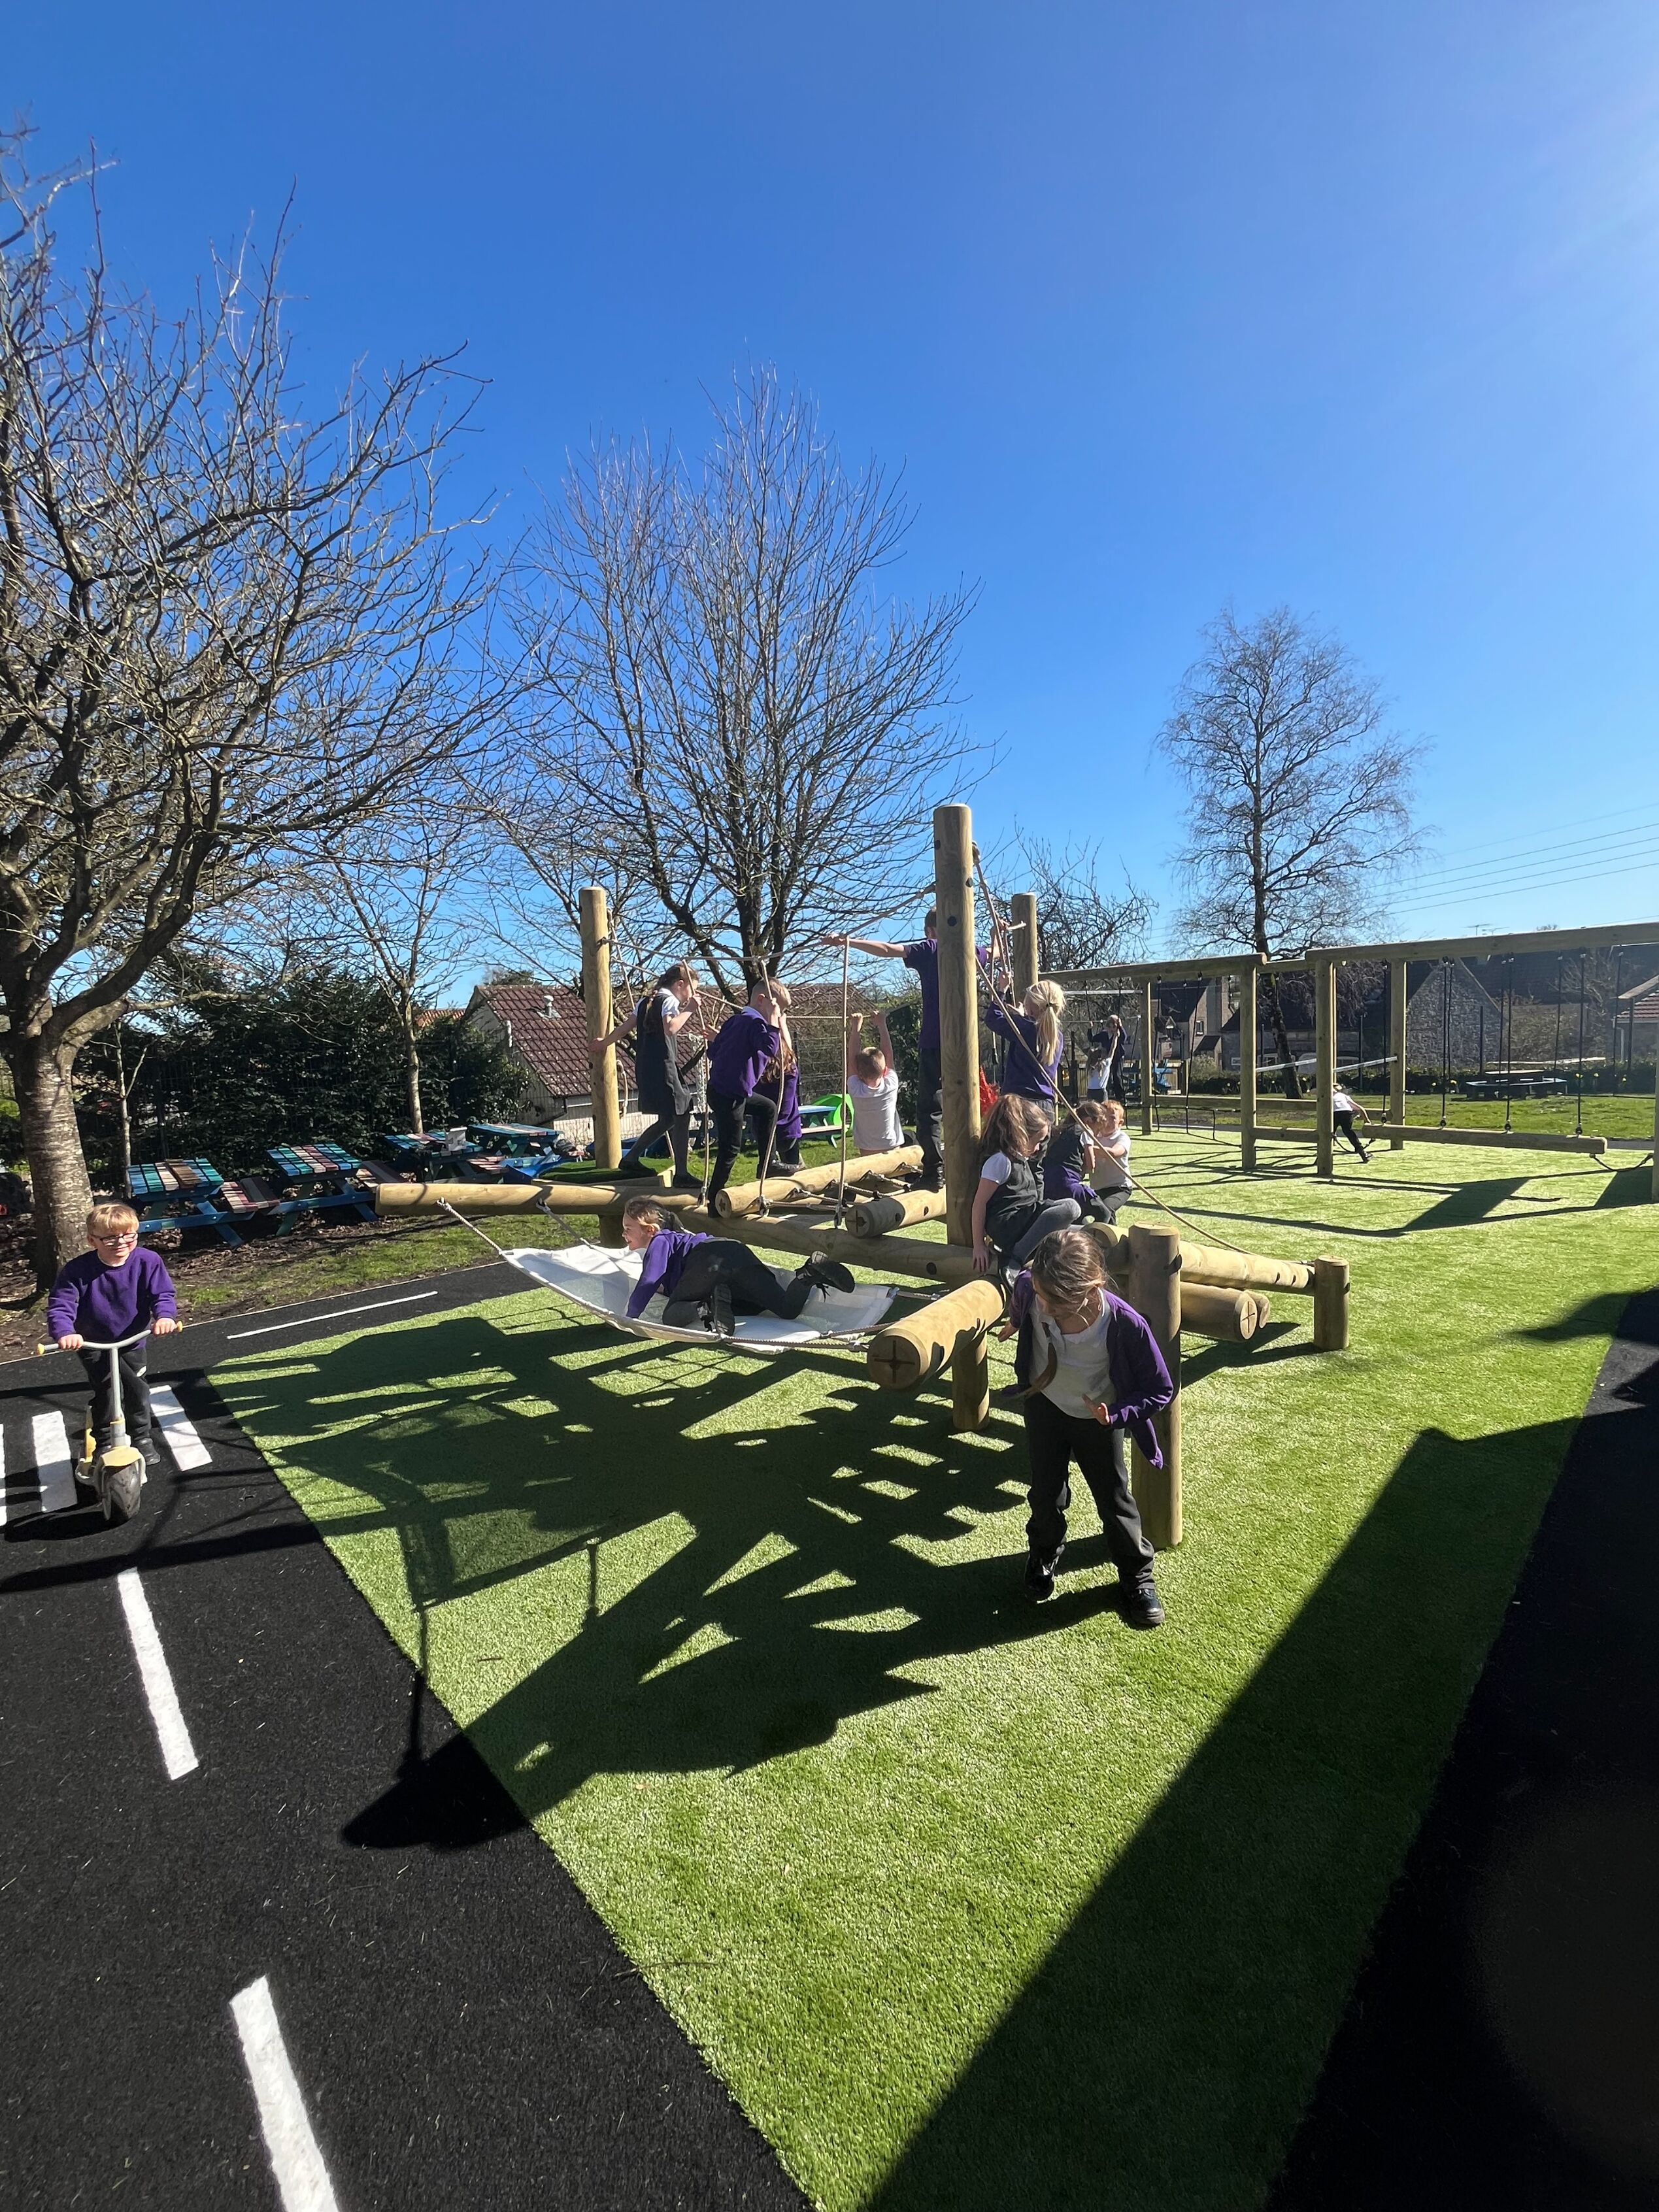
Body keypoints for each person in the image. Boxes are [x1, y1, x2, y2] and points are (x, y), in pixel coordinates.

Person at [1012, 1226, 1171, 1622]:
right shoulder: (1033, 1288)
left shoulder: (1124, 1324)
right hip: (1044, 1407)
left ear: (1091, 1287)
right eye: (1042, 1297)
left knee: (1114, 1499)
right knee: (1045, 1493)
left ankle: (1137, 1576)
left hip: (1098, 1421)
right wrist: (1017, 1321)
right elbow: (1023, 1294)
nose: (1046, 1309)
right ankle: (1044, 1552)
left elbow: (1160, 1388)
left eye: (1059, 1304)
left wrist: (1116, 1415)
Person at [824, 914, 986, 1192]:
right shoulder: (974, 950)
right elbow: (992, 951)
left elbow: (888, 950)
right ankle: (973, 1167)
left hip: (935, 1041)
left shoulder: (931, 947)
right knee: (966, 1104)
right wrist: (998, 936)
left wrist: (850, 942)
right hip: (967, 1042)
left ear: (931, 930)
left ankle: (935, 1170)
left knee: (929, 1111)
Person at [46, 1203, 182, 1468]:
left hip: (132, 1340)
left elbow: (162, 1294)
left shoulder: (148, 1261)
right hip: (93, 1342)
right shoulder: (77, 1271)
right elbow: (61, 1304)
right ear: (92, 1240)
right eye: (110, 1238)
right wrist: (65, 1332)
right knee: (107, 1390)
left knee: (136, 1390)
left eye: (128, 1235)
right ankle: (105, 1439)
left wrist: (164, 1316)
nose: (120, 1242)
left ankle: (141, 1436)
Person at [619, 1196, 854, 1337]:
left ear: (650, 1230)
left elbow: (649, 1280)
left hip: (709, 1260)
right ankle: (808, 1274)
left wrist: (629, 1319)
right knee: (786, 1309)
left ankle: (705, 1306)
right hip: (735, 1252)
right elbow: (667, 1282)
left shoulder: (661, 1241)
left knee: (671, 1316)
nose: (623, 1234)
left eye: (628, 1229)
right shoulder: (677, 1243)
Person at [592, 959, 703, 1190]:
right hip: (664, 1066)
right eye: (691, 990)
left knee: (670, 1117)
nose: (691, 996)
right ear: (680, 984)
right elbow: (671, 1028)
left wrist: (605, 1043)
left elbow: (626, 1027)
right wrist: (690, 1009)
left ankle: (632, 1158)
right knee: (681, 1114)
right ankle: (681, 1173)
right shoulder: (670, 1001)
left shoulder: (646, 1001)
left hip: (646, 1066)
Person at [971, 1094, 1081, 1275]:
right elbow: (979, 1203)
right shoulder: (1000, 1161)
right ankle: (1015, 1259)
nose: (1038, 1148)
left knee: (1078, 1232)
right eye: (1037, 1142)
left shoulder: (1021, 1160)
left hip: (1024, 1221)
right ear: (1021, 1134)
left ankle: (1029, 1251)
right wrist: (979, 1245)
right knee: (1070, 1208)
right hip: (1009, 1227)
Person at [705, 979, 790, 1202]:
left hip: (724, 1090)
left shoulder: (735, 1021)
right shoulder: (755, 1024)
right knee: (730, 1149)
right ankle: (714, 1201)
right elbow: (771, 1048)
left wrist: (725, 1044)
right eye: (779, 1009)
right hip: (729, 1095)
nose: (779, 1015)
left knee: (768, 1108)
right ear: (763, 1001)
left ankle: (767, 1164)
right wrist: (773, 1021)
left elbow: (713, 1054)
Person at [985, 979, 1066, 1118]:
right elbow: (1033, 1035)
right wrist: (1023, 1018)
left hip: (1020, 1103)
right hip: (1045, 1105)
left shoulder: (1023, 1027)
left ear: (1033, 1006)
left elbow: (993, 1019)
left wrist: (1001, 990)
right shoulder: (1057, 1036)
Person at [1042, 1099, 1131, 1225]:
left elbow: (1114, 1153)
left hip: (1118, 1187)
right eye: (1103, 1121)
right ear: (1090, 1122)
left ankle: (1109, 1239)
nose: (1105, 1124)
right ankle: (1094, 1240)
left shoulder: (1122, 1137)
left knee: (1104, 1208)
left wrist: (1084, 1148)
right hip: (1077, 1185)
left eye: (1112, 1118)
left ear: (1120, 1122)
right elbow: (1090, 1166)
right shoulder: (1087, 1132)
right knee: (1097, 1212)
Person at [845, 1011, 904, 1155]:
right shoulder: (891, 1085)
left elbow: (851, 1059)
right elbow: (888, 1054)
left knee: (872, 1176)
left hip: (867, 1149)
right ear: (884, 1071)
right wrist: (882, 1024)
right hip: (892, 1145)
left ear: (859, 1073)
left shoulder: (856, 1090)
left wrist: (856, 1028)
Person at [750, 1035, 803, 1173]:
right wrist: (782, 1022)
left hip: (765, 1134)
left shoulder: (757, 1076)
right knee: (793, 1171)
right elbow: (789, 1048)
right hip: (788, 1131)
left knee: (774, 1171)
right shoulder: (791, 1073)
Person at [1332, 1081, 1371, 1162]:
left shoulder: (1327, 1096)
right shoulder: (1344, 1096)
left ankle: (1321, 1157)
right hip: (1347, 1113)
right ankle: (1363, 1154)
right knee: (1349, 1132)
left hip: (1334, 1113)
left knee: (1329, 1133)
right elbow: (1360, 1108)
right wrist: (1366, 1120)